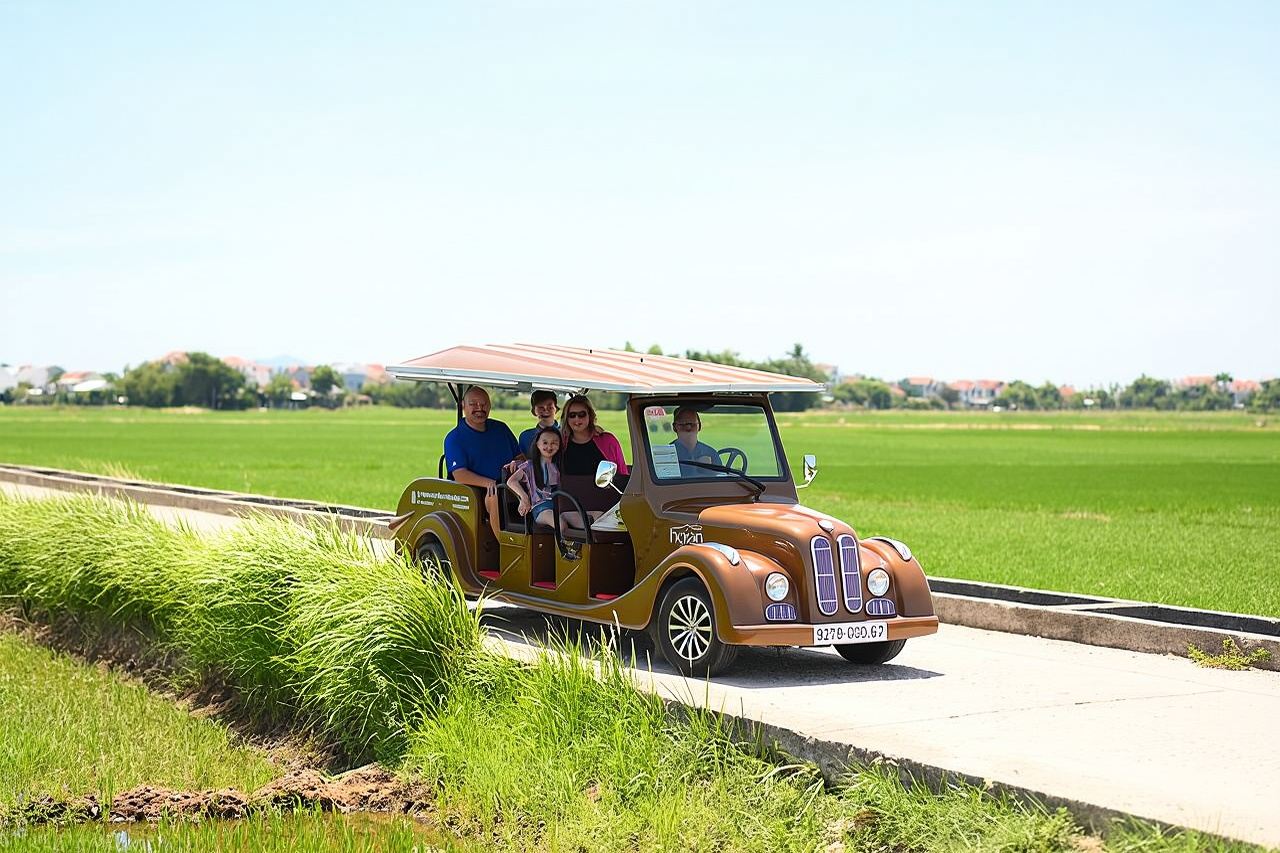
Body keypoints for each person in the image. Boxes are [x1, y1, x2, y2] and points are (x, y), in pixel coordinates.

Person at [443, 385, 521, 538]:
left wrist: (517, 465)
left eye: (484, 404)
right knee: (494, 494)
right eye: (473, 404)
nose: (480, 408)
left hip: (509, 484)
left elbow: (519, 457)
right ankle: (504, 546)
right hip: (478, 491)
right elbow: (460, 475)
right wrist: (489, 482)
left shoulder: (501, 428)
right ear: (463, 406)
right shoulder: (454, 438)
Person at [506, 426, 593, 534]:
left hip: (561, 505)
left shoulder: (560, 465)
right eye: (545, 443)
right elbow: (511, 481)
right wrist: (524, 498)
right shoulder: (530, 466)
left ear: (559, 445)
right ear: (537, 444)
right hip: (541, 507)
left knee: (591, 520)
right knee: (560, 525)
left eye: (554, 443)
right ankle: (564, 550)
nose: (549, 446)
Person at [560, 394, 628, 477]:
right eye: (572, 415)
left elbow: (622, 473)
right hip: (568, 490)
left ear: (590, 415)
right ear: (566, 418)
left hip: (606, 490)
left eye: (582, 414)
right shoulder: (561, 443)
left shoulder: (608, 440)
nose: (577, 419)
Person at [670, 405, 719, 476]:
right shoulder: (666, 453)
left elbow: (721, 479)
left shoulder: (711, 453)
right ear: (674, 427)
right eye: (683, 424)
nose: (688, 428)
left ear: (699, 426)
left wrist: (710, 470)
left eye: (692, 424)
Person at [518, 390, 559, 457]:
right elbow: (522, 460)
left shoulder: (564, 434)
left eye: (550, 407)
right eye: (541, 407)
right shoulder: (525, 436)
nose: (546, 410)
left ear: (556, 409)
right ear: (534, 411)